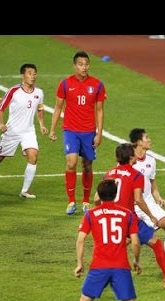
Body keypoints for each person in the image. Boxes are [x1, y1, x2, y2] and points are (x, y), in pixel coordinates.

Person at [97, 143, 165, 290]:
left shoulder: (108, 173)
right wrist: (151, 216)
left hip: (111, 217)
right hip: (128, 219)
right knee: (156, 243)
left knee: (112, 248)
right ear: (131, 158)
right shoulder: (136, 175)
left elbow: (97, 198)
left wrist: (100, 213)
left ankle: (101, 278)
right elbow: (139, 200)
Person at [0, 63, 47, 198]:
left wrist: (41, 125)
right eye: (29, 73)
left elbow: (39, 110)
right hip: (12, 131)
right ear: (23, 76)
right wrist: (1, 124)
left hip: (28, 131)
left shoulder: (39, 92)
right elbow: (0, 108)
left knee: (33, 156)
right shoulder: (13, 91)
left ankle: (25, 190)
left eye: (34, 73)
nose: (33, 76)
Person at [74, 179, 141, 301]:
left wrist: (80, 263)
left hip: (98, 266)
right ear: (116, 195)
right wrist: (136, 260)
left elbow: (80, 239)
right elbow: (135, 241)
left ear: (99, 194)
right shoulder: (127, 214)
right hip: (121, 266)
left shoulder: (91, 214)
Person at [49, 51, 107, 215]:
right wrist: (53, 129)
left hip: (89, 132)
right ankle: (71, 201)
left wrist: (99, 133)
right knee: (71, 163)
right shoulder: (65, 84)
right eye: (80, 64)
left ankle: (86, 201)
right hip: (71, 130)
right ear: (75, 66)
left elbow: (100, 110)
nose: (84, 67)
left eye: (86, 64)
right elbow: (58, 107)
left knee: (87, 165)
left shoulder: (97, 85)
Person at [130, 128, 165, 274]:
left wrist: (158, 197)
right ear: (139, 142)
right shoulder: (129, 159)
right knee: (128, 239)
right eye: (147, 138)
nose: (150, 140)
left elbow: (152, 183)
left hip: (148, 203)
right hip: (132, 206)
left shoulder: (151, 160)